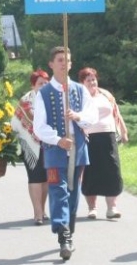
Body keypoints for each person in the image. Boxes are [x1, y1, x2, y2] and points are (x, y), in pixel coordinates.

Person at [33, 46, 97, 260]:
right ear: (51, 64)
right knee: (57, 189)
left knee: (73, 191)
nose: (64, 63)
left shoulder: (80, 90)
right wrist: (58, 140)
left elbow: (92, 115)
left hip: (78, 149)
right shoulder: (43, 93)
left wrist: (78, 117)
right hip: (55, 151)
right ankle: (63, 234)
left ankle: (69, 228)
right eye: (60, 59)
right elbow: (39, 126)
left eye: (67, 60)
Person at [78, 67, 128, 219]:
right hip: (88, 138)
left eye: (94, 79)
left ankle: (112, 207)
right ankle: (92, 208)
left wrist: (124, 132)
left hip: (108, 137)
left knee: (112, 171)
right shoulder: (79, 97)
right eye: (88, 80)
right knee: (90, 173)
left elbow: (116, 113)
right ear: (82, 83)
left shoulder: (106, 95)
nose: (92, 82)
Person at [11, 69, 50, 225]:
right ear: (33, 85)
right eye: (40, 83)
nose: (43, 86)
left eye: (46, 83)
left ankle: (43, 208)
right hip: (31, 145)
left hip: (50, 144)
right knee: (35, 177)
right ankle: (37, 213)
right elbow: (15, 123)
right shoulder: (26, 101)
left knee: (47, 179)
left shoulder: (52, 98)